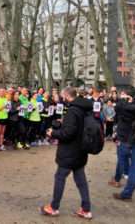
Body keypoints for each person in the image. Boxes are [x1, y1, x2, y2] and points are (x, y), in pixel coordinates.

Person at [41, 87, 93, 220]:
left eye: (63, 95)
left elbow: (68, 134)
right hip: (81, 150)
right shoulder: (84, 109)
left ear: (66, 96)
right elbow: (76, 127)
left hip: (70, 151)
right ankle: (86, 209)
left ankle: (54, 207)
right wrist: (64, 123)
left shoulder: (72, 111)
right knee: (81, 180)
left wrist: (53, 133)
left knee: (60, 177)